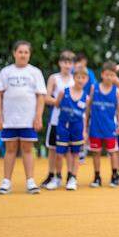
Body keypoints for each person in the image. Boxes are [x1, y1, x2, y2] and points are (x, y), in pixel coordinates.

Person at [0, 40, 47, 194]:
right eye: (20, 52)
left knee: (27, 149)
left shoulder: (35, 72)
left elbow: (41, 97)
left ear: (29, 55)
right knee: (10, 149)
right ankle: (6, 182)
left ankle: (30, 181)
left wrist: (38, 116)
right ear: (14, 53)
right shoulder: (5, 72)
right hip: (10, 119)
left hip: (28, 119)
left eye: (26, 52)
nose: (23, 55)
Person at [86, 61, 119, 188]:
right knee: (96, 152)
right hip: (95, 127)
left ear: (115, 76)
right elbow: (88, 107)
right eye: (107, 74)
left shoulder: (116, 91)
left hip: (109, 128)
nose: (109, 77)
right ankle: (97, 177)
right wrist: (85, 126)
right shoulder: (94, 88)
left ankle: (114, 176)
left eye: (112, 75)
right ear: (102, 74)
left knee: (113, 152)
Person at [42, 50, 75, 190]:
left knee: (68, 150)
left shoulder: (76, 79)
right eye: (65, 62)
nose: (67, 65)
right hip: (56, 119)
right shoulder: (54, 78)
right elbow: (46, 97)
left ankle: (69, 176)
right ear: (60, 63)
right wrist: (59, 102)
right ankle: (52, 175)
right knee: (53, 149)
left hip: (72, 120)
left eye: (70, 62)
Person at [55, 67, 89, 191]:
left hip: (77, 126)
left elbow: (86, 115)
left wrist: (84, 130)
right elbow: (57, 105)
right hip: (63, 124)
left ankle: (73, 178)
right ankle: (57, 177)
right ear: (74, 78)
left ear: (87, 80)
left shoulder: (86, 97)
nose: (80, 80)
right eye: (78, 77)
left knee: (75, 154)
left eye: (83, 78)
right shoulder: (64, 92)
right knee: (59, 153)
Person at [74, 52, 97, 164]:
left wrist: (91, 100)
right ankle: (76, 149)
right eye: (79, 62)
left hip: (86, 102)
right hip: (75, 101)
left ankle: (83, 149)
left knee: (86, 126)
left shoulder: (90, 73)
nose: (81, 64)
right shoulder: (73, 72)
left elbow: (93, 86)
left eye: (83, 62)